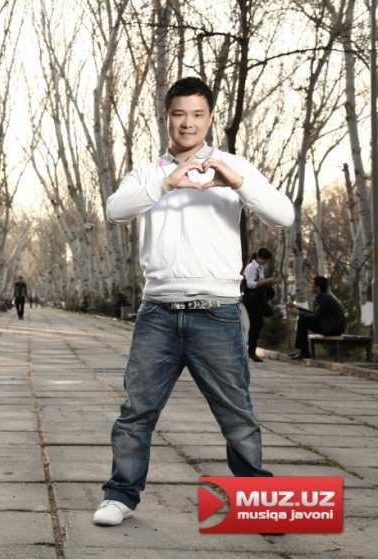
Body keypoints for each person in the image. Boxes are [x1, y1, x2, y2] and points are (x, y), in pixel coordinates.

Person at [92, 77, 294, 527]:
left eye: (198, 114)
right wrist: (166, 184)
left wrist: (236, 182)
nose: (188, 123)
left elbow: (283, 215)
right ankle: (120, 496)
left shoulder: (232, 166)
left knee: (237, 414)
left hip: (217, 314)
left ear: (210, 118)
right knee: (136, 411)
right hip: (158, 314)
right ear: (167, 117)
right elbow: (114, 209)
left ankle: (257, 502)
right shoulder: (148, 174)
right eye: (179, 114)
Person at [287, 276, 346, 359]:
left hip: (332, 329)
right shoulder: (324, 296)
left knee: (303, 320)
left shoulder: (324, 298)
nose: (311, 286)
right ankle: (303, 351)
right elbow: (316, 314)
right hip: (331, 326)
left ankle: (304, 352)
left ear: (317, 287)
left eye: (312, 285)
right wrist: (298, 308)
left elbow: (316, 317)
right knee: (303, 319)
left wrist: (299, 312)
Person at [242, 248, 278, 362]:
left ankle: (251, 351)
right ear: (260, 258)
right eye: (265, 260)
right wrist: (267, 281)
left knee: (257, 325)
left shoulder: (259, 267)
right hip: (251, 300)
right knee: (254, 324)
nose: (266, 262)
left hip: (258, 300)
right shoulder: (251, 267)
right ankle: (250, 352)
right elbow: (250, 284)